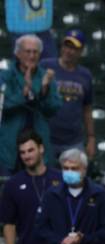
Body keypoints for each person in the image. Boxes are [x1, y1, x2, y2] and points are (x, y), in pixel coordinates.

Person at [0, 35, 62, 175]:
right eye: (27, 51)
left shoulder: (46, 77)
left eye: (35, 52)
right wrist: (25, 92)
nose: (32, 56)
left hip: (39, 146)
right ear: (17, 53)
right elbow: (3, 106)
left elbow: (54, 109)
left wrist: (44, 90)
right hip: (9, 149)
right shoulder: (4, 76)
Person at [40, 30, 95, 159]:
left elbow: (87, 109)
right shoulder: (45, 66)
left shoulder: (85, 75)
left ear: (81, 51)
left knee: (75, 178)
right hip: (47, 139)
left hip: (74, 141)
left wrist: (91, 138)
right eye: (66, 46)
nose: (68, 51)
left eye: (74, 48)